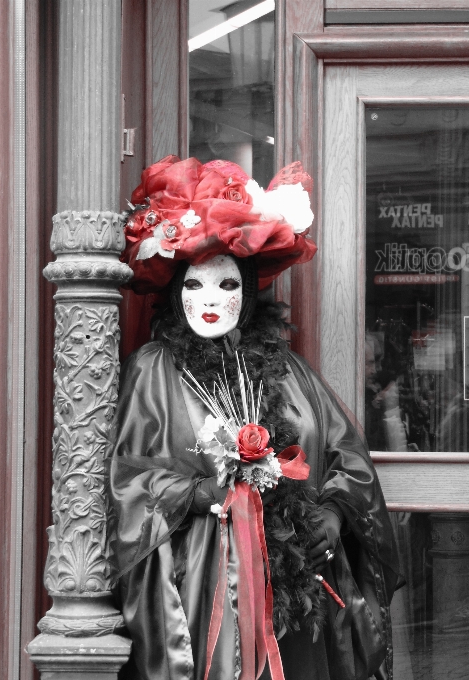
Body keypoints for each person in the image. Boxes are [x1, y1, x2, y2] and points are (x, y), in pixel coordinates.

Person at [108, 156, 399, 680]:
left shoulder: (285, 368)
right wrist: (195, 494)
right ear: (175, 295)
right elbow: (126, 477)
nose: (212, 301)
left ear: (248, 291)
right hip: (202, 587)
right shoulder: (155, 369)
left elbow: (345, 455)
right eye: (195, 286)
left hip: (300, 587)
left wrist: (334, 515)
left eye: (227, 285)